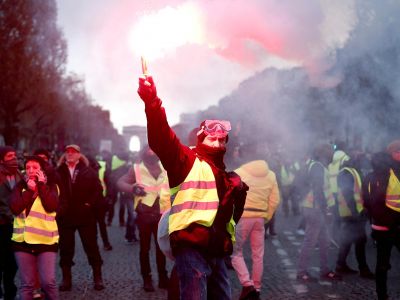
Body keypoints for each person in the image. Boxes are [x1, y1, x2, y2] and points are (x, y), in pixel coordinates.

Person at [137, 75, 249, 300]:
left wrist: (238, 194)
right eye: (211, 139)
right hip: (191, 247)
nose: (217, 144)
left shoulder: (227, 177)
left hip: (217, 251)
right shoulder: (186, 161)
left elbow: (230, 220)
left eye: (222, 140)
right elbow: (161, 138)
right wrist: (152, 102)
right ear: (200, 139)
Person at [117, 145, 169, 292]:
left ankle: (163, 277)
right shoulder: (136, 168)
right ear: (144, 153)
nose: (152, 152)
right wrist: (132, 188)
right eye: (149, 150)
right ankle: (147, 279)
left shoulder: (165, 167)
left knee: (161, 248)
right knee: (144, 248)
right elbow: (120, 182)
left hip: (161, 213)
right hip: (144, 214)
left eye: (154, 150)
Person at [10, 155, 59, 300]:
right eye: (28, 168)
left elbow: (51, 206)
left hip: (46, 242)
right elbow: (15, 208)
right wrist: (30, 191)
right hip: (22, 242)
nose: (31, 170)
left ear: (42, 171)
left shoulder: (52, 187)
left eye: (35, 168)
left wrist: (41, 186)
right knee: (27, 284)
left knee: (48, 282)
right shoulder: (19, 187)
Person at [56, 144, 105, 291]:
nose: (70, 154)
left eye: (74, 152)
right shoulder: (58, 171)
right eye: (68, 152)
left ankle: (98, 278)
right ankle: (66, 279)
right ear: (65, 155)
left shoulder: (88, 171)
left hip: (85, 215)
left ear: (79, 155)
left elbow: (98, 189)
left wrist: (89, 204)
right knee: (65, 248)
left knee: (91, 247)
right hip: (65, 216)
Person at [231, 154, 280, 300]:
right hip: (259, 218)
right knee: (258, 255)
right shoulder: (271, 175)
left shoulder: (239, 172)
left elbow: (230, 197)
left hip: (242, 217)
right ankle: (257, 288)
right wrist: (266, 217)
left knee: (235, 253)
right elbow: (275, 200)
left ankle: (247, 284)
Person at [296, 143, 342, 281]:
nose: (332, 155)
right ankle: (301, 272)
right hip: (315, 209)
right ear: (324, 153)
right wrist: (325, 209)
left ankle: (325, 270)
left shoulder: (315, 165)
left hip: (314, 207)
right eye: (330, 152)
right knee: (310, 240)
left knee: (324, 241)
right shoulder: (318, 167)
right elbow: (318, 189)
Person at [363, 141, 400, 300]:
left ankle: (381, 295)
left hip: (379, 225)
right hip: (395, 226)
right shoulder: (394, 174)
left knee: (382, 263)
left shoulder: (369, 176)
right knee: (383, 263)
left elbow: (366, 202)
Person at [334, 158, 374, 279]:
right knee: (360, 241)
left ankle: (341, 265)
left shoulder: (349, 172)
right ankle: (363, 269)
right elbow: (348, 194)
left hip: (352, 212)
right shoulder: (347, 173)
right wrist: (356, 213)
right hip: (353, 213)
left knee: (348, 239)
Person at [0, 146, 22, 300]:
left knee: (13, 261)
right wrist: (12, 216)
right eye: (9, 156)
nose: (13, 159)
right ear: (2, 160)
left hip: (16, 224)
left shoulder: (19, 174)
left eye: (14, 155)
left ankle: (10, 291)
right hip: (2, 224)